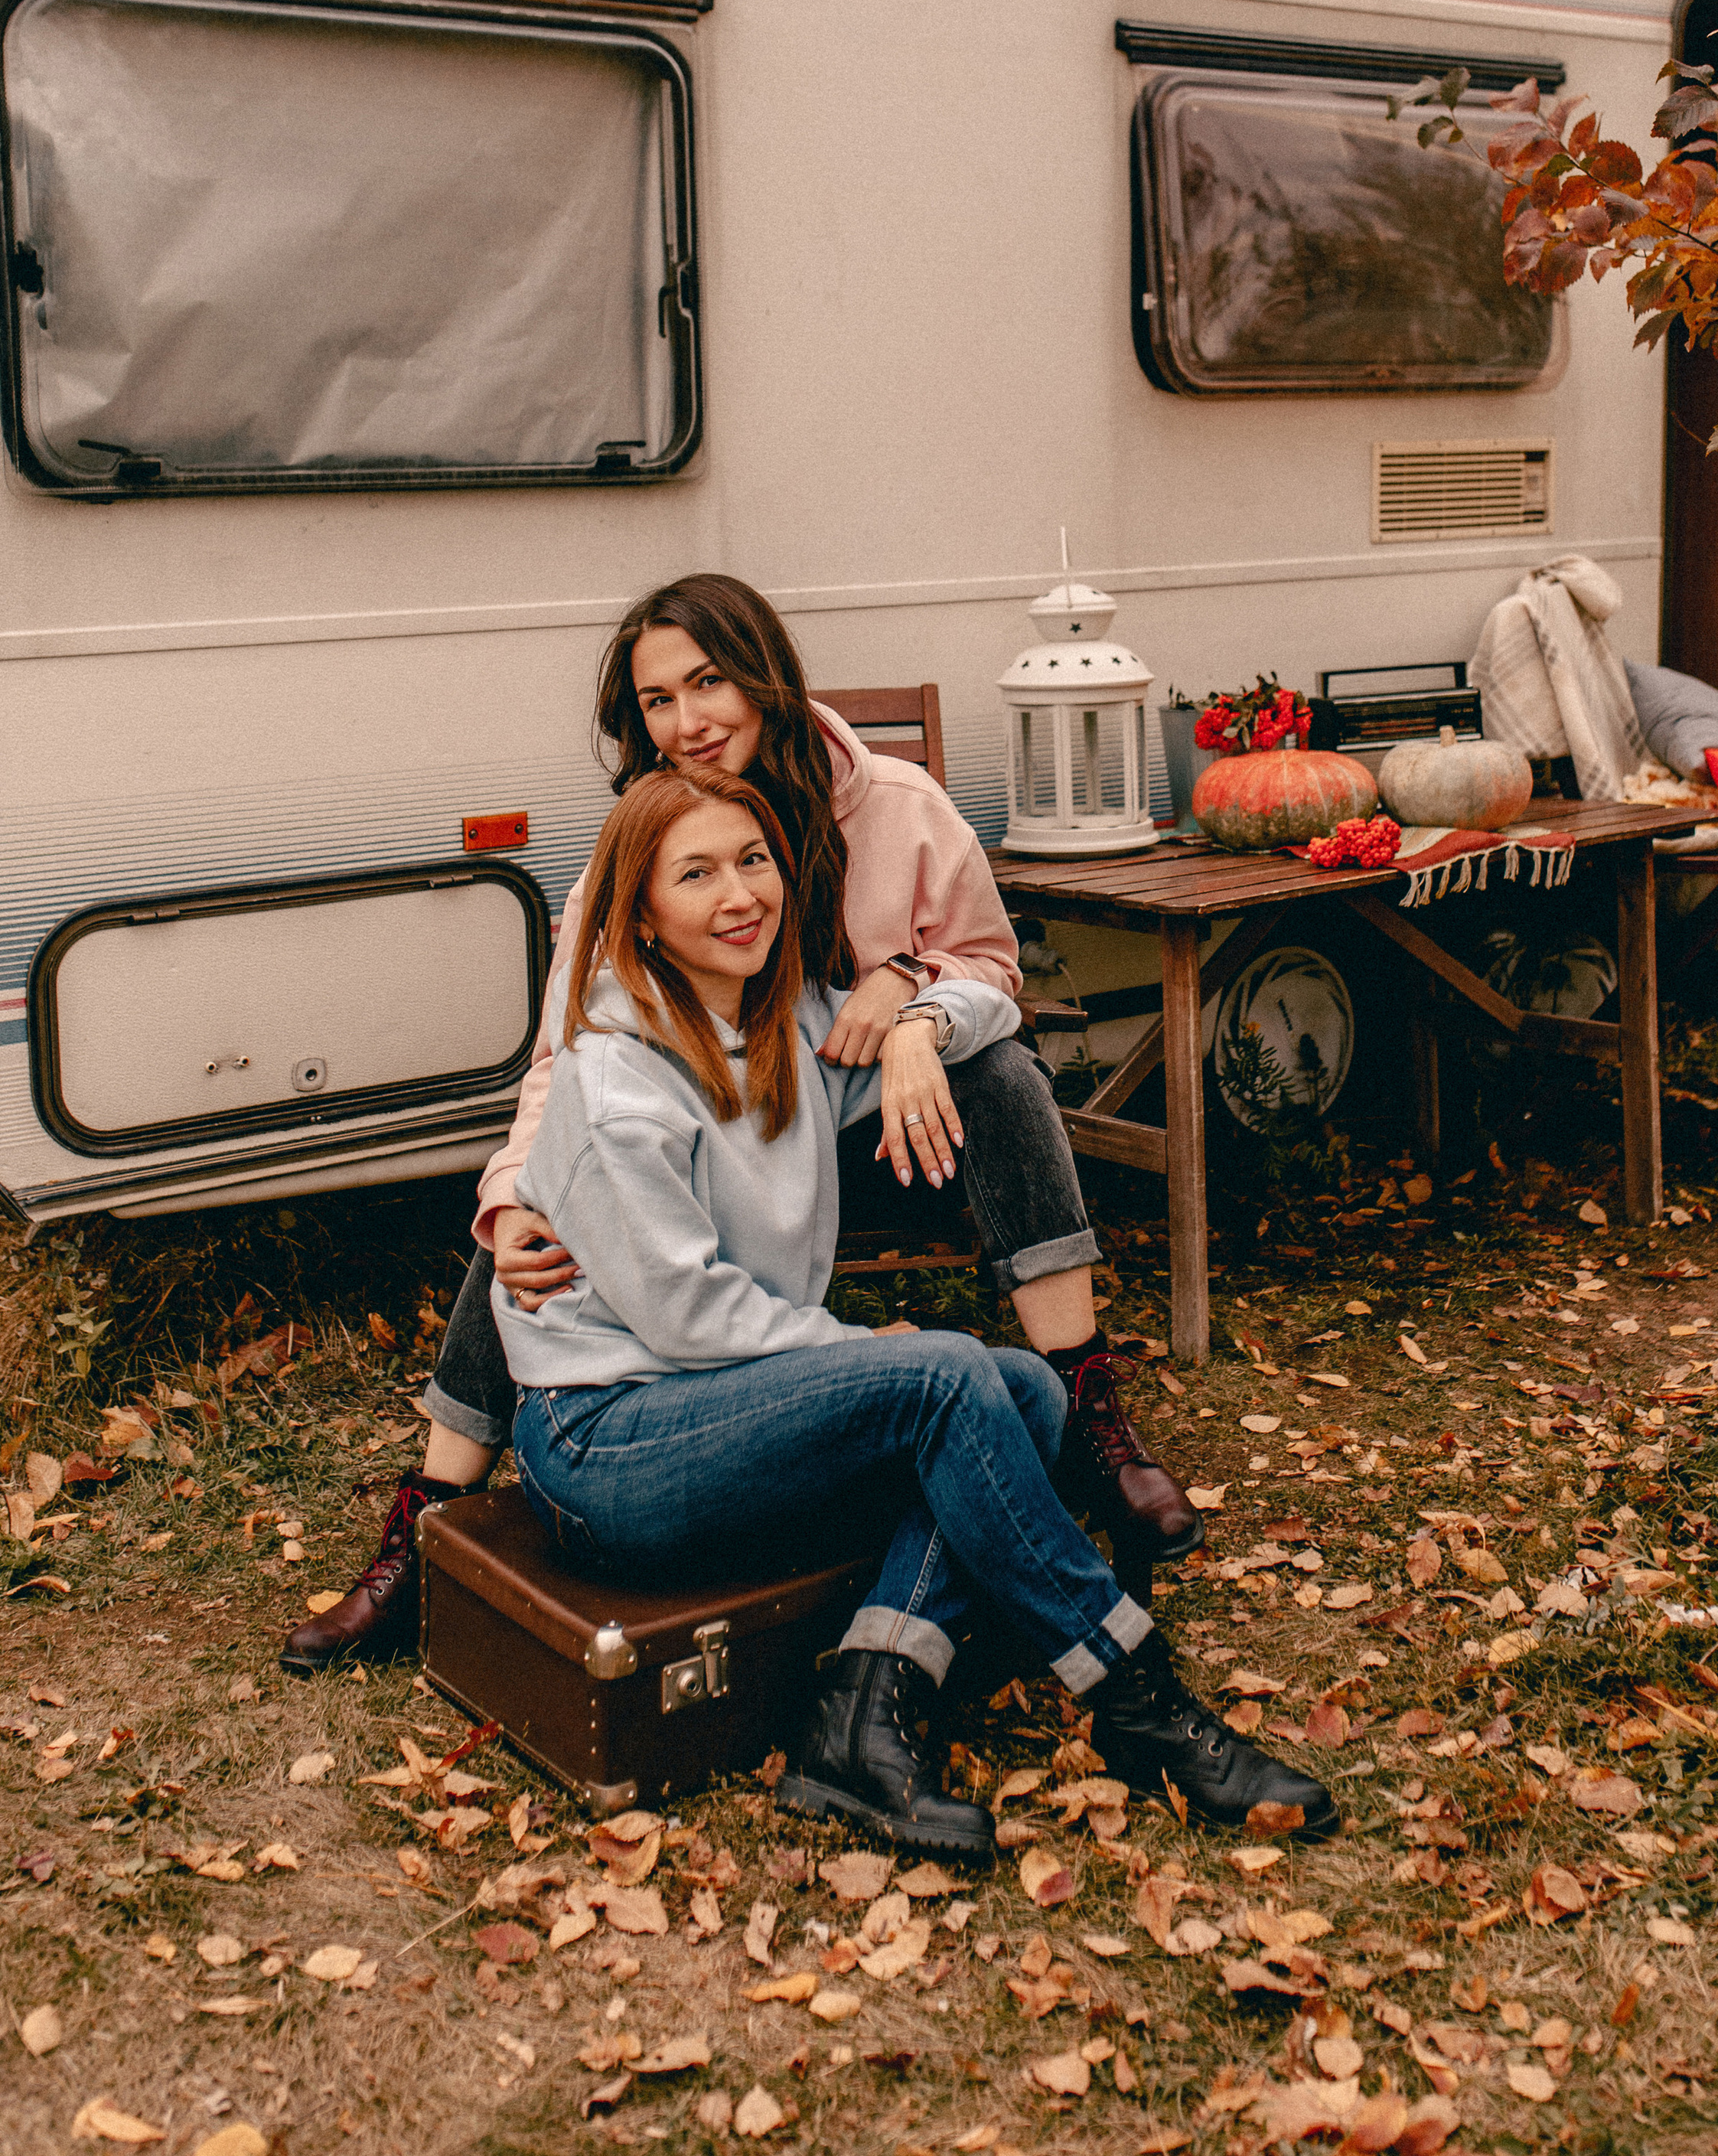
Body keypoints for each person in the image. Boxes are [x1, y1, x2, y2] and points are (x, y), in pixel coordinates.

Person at [282, 575, 1197, 1676]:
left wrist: (911, 997)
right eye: (657, 700)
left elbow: (992, 969)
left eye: (708, 682)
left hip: (877, 1131)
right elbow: (567, 1055)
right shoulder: (640, 840)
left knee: (1001, 1071)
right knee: (540, 1211)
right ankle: (424, 1524)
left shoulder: (897, 806)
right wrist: (514, 1193)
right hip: (707, 1151)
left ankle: (1088, 1409)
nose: (688, 721)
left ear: (764, 675)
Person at [493, 757, 1335, 1853]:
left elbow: (994, 1001)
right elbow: (690, 1318)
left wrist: (909, 1021)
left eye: (754, 861)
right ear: (641, 915)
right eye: (696, 874)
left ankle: (866, 1705)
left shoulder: (781, 1022)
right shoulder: (615, 1087)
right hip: (606, 1443)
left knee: (1026, 1390)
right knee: (943, 1377)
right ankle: (1136, 1696)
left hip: (718, 1399)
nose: (740, 895)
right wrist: (864, 1347)